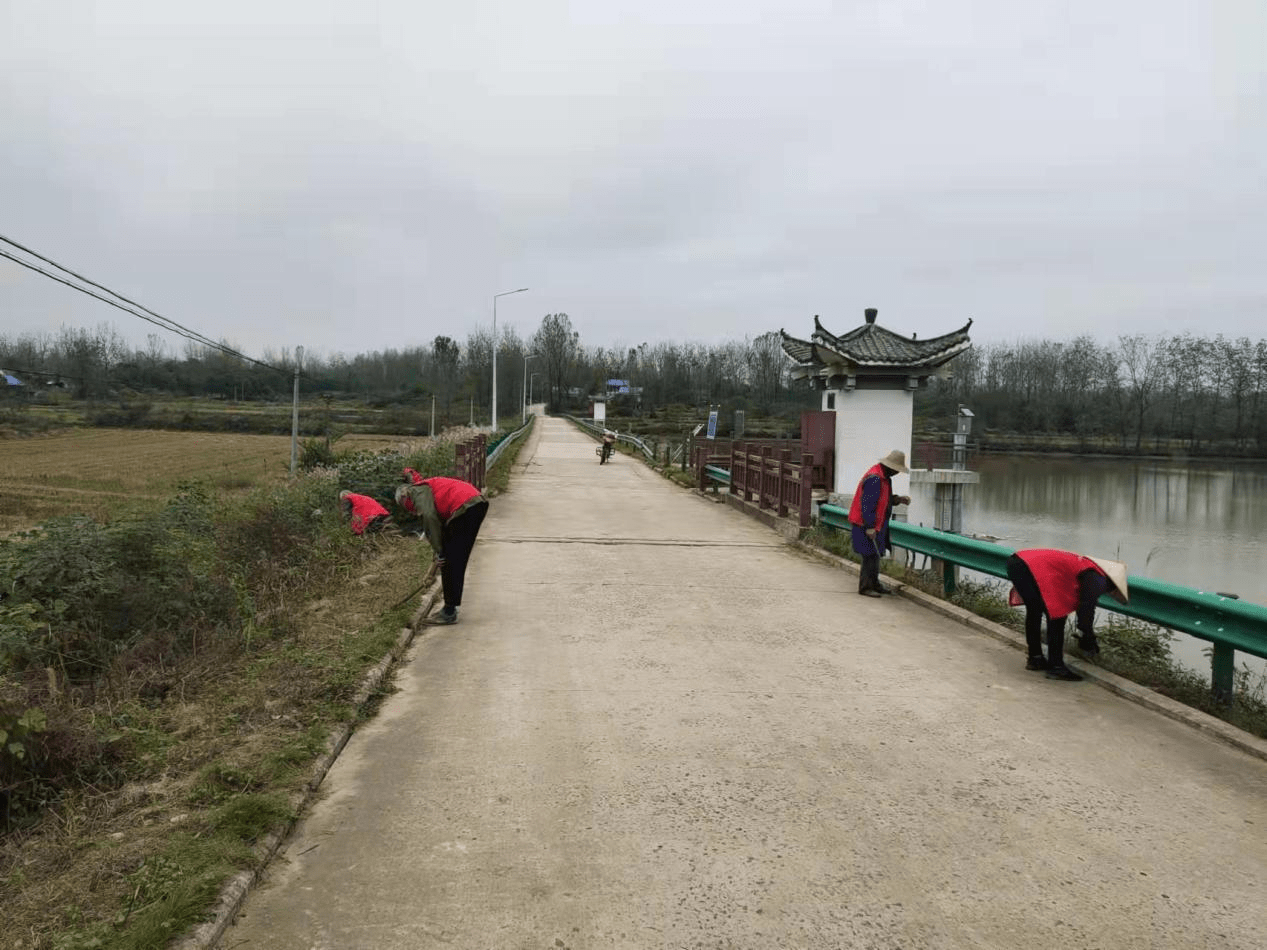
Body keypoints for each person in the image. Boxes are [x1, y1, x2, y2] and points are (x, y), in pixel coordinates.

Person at [1005, 549, 1129, 681]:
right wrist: (1088, 637)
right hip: (1029, 565)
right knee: (1057, 616)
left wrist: (1085, 632)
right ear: (1114, 583)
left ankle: (1035, 658)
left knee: (1034, 611)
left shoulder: (1087, 567)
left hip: (1018, 561)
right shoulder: (1098, 580)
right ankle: (1056, 667)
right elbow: (1086, 609)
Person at [395, 474, 489, 626]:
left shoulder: (416, 492)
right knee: (451, 558)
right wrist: (437, 555)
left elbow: (429, 517)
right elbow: (440, 531)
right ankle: (449, 609)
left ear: (404, 496)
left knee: (452, 561)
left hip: (466, 506)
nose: (409, 510)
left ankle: (449, 612)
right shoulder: (427, 490)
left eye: (404, 505)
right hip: (472, 504)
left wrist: (440, 552)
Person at [848, 450, 912, 597]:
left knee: (875, 555)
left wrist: (897, 499)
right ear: (890, 467)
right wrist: (870, 527)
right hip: (866, 524)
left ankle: (874, 584)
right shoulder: (875, 478)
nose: (897, 473)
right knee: (869, 555)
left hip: (877, 524)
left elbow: (884, 498)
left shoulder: (884, 477)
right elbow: (868, 505)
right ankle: (865, 587)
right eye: (896, 470)